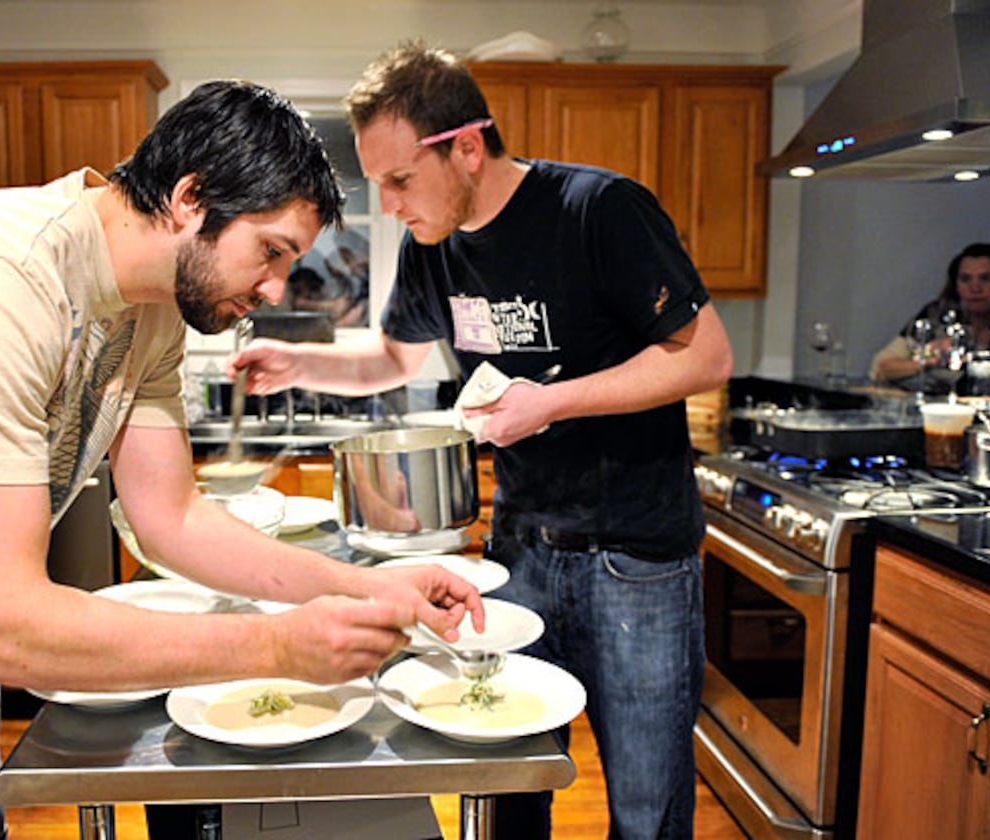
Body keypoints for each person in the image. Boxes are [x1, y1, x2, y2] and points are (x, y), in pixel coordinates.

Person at [0, 79, 485, 839]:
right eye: (269, 251)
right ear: (189, 197)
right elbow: (1, 624)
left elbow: (172, 517)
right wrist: (275, 645)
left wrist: (367, 588)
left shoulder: (150, 309)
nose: (276, 288)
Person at [232, 42, 735, 840]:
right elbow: (394, 357)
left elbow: (706, 353)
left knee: (646, 811)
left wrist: (552, 403)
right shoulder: (435, 248)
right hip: (517, 552)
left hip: (635, 559)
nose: (390, 204)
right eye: (379, 185)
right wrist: (297, 360)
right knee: (505, 787)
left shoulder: (596, 210)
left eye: (400, 179)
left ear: (467, 146)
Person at [870, 242, 990, 401]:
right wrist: (931, 361)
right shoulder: (936, 314)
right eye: (965, 279)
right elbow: (881, 367)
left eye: (986, 279)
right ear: (955, 285)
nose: (975, 288)